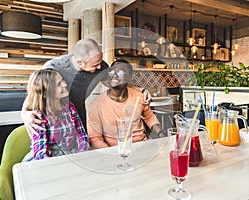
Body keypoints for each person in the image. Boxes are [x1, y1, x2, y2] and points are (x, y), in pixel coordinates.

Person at [21, 38, 151, 132]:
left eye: (100, 61)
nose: (100, 67)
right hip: (54, 117)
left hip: (78, 113)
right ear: (79, 62)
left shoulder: (100, 65)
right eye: (95, 65)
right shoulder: (54, 67)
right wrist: (24, 113)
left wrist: (142, 90)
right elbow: (35, 93)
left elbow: (118, 81)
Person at [87, 59, 163, 149]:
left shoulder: (139, 97)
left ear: (129, 78)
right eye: (112, 72)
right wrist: (112, 153)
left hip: (142, 146)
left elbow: (150, 117)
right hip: (115, 150)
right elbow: (95, 139)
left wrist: (161, 133)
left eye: (120, 73)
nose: (114, 75)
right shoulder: (95, 105)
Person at [23, 69, 89, 161]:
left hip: (72, 153)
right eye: (58, 84)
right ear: (46, 92)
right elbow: (40, 150)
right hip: (48, 159)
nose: (65, 84)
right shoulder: (38, 115)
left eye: (63, 80)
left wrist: (83, 153)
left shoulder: (70, 107)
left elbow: (81, 135)